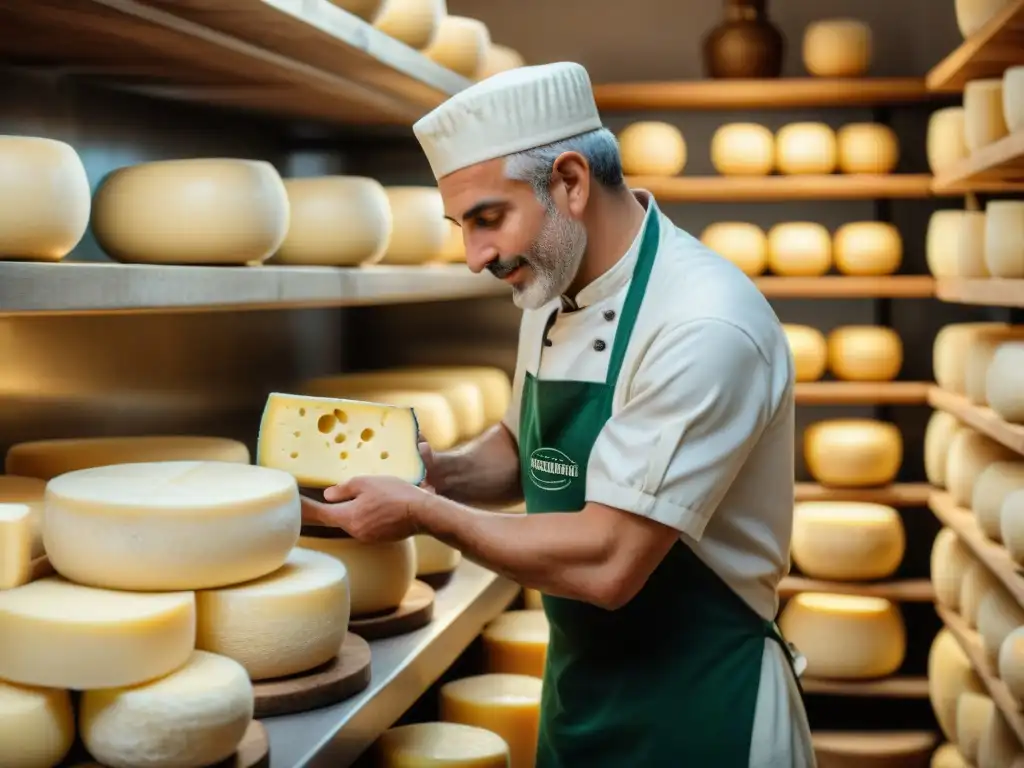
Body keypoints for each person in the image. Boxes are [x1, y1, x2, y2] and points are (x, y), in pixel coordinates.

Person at [302, 61, 815, 767]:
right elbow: (524, 451)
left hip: (702, 711)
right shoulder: (550, 287)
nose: (474, 254)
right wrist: (435, 472)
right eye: (460, 225)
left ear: (570, 182)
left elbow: (610, 562)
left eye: (488, 219)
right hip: (581, 697)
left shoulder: (703, 324)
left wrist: (423, 514)